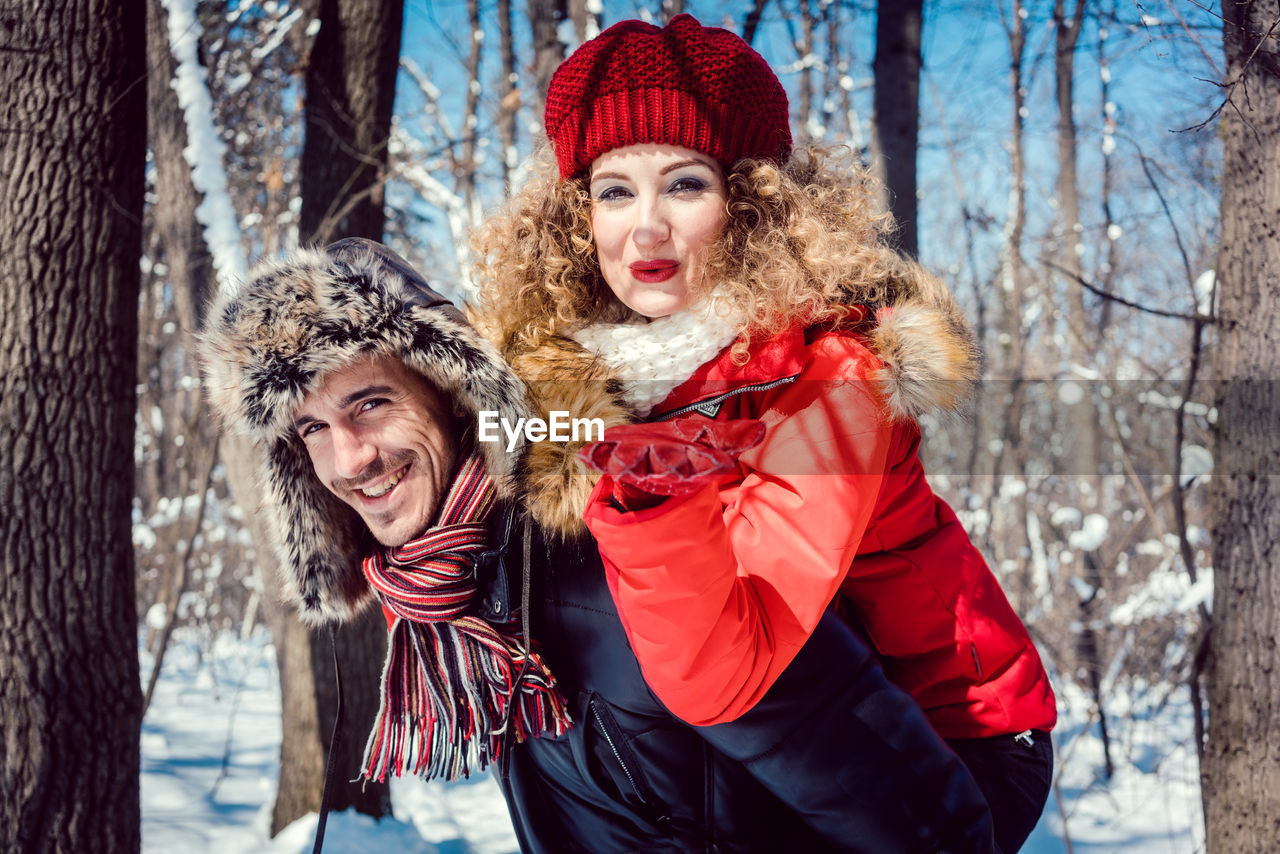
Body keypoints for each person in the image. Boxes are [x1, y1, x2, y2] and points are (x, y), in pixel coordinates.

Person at [471, 14, 1057, 854]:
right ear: (577, 216)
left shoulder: (835, 374)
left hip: (946, 751)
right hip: (777, 730)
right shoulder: (588, 368)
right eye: (613, 191)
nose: (644, 229)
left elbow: (731, 666)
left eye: (684, 185)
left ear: (750, 201)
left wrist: (630, 470)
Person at [200, 238, 999, 853]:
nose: (350, 459)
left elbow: (934, 830)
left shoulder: (617, 551)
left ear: (453, 393)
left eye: (370, 404)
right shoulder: (467, 595)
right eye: (311, 429)